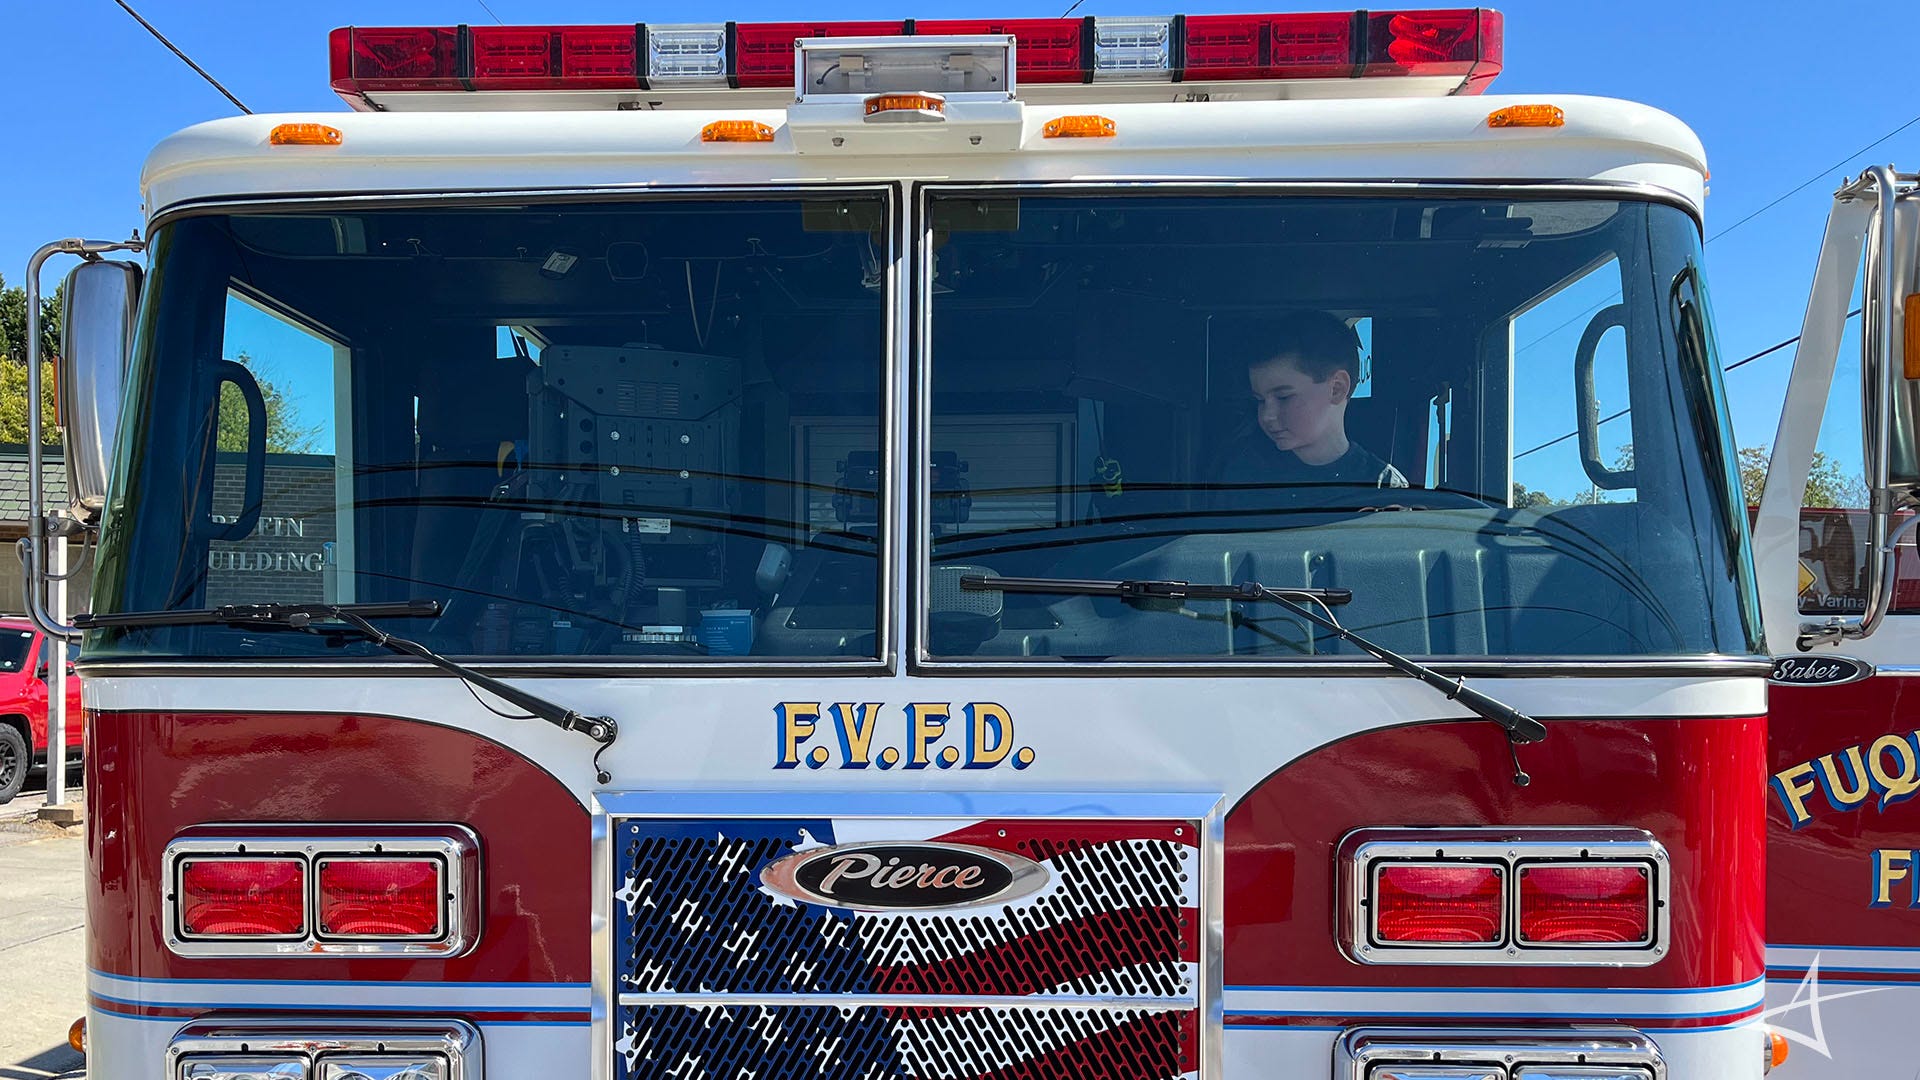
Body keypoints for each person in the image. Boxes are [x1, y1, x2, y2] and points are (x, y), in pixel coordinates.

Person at [1211, 311, 1407, 507]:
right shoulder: (1243, 478)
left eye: (1283, 397)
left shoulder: (1384, 489)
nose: (1267, 415)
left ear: (1336, 388)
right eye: (1260, 400)